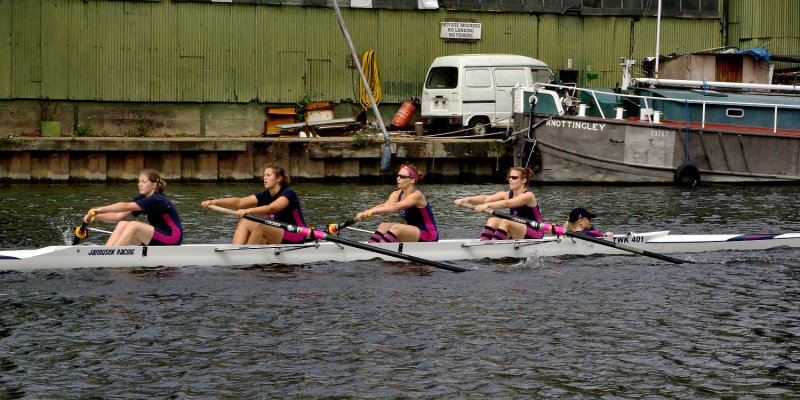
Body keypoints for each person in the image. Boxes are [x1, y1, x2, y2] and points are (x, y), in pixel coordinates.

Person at [201, 164, 307, 245]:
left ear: (278, 178)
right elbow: (240, 202)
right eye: (264, 175)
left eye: (268, 175)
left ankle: (247, 256)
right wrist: (215, 201)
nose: (264, 178)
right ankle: (237, 251)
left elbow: (271, 208)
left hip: (297, 234)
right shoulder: (266, 194)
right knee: (245, 221)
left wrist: (248, 211)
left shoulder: (288, 193)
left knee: (262, 227)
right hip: (278, 232)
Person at [83, 169, 183, 246]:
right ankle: (107, 252)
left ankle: (114, 256)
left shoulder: (157, 199)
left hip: (172, 238)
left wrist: (100, 209)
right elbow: (118, 216)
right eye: (139, 182)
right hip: (158, 237)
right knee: (122, 224)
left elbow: (125, 206)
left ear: (153, 185)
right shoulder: (142, 198)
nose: (139, 185)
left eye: (144, 182)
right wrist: (95, 216)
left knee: (133, 225)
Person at [354, 162, 438, 243]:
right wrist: (365, 212)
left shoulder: (416, 195)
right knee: (383, 226)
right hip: (412, 232)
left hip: (428, 235)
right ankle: (371, 247)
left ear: (412, 180)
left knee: (397, 227)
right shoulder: (396, 194)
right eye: (398, 176)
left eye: (402, 176)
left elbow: (396, 207)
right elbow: (384, 206)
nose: (397, 178)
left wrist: (371, 212)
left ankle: (379, 250)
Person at [454, 167, 544, 240]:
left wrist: (488, 205)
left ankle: (494, 248)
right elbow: (486, 198)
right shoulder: (506, 194)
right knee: (492, 220)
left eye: (514, 177)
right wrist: (467, 199)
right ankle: (484, 244)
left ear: (523, 180)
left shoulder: (528, 196)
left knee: (506, 222)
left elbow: (508, 203)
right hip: (516, 229)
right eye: (509, 177)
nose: (510, 180)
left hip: (534, 231)